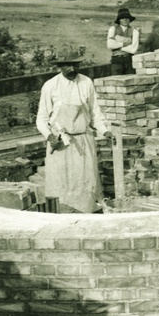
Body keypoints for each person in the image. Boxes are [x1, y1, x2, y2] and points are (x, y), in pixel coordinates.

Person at [36, 58, 110, 213]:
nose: (72, 68)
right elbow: (41, 119)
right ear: (60, 66)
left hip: (83, 140)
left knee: (86, 180)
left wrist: (105, 131)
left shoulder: (86, 83)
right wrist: (49, 136)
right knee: (61, 182)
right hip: (60, 142)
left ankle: (89, 213)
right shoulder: (50, 86)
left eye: (75, 65)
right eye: (67, 65)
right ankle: (62, 214)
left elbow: (95, 112)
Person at [105, 6, 139, 74]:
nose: (125, 19)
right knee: (116, 80)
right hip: (116, 60)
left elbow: (133, 49)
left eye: (127, 18)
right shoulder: (113, 29)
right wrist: (124, 44)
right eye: (122, 18)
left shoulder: (135, 31)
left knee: (130, 80)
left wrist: (118, 47)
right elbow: (110, 45)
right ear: (119, 20)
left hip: (129, 59)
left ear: (129, 19)